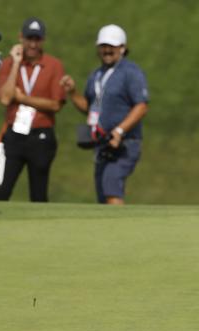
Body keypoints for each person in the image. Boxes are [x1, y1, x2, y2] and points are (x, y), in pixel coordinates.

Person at [60, 24, 149, 205]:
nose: (107, 50)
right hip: (103, 144)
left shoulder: (130, 72)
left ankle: (121, 223)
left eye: (112, 46)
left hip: (124, 143)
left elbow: (141, 106)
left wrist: (119, 131)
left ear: (122, 48)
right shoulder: (97, 75)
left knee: (111, 186)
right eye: (103, 46)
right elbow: (90, 107)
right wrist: (73, 93)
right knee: (102, 194)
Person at [0, 18, 67, 202]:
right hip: (14, 134)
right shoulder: (9, 63)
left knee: (38, 194)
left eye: (37, 39)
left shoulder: (53, 65)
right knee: (1, 190)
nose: (33, 44)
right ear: (21, 38)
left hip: (41, 136)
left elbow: (55, 104)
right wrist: (16, 64)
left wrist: (23, 99)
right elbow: (5, 98)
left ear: (43, 40)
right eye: (29, 39)